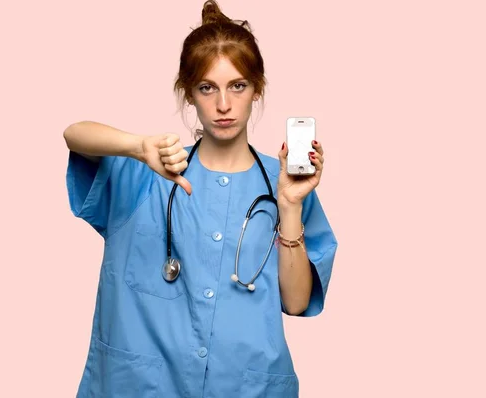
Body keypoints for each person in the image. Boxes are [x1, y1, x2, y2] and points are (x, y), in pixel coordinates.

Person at [63, 1, 337, 397]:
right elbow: (74, 133)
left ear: (256, 89)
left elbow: (296, 303)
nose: (223, 105)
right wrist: (138, 146)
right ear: (188, 93)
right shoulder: (149, 169)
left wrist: (290, 204)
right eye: (207, 87)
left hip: (246, 385)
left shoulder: (283, 184)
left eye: (237, 86)